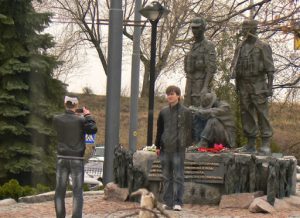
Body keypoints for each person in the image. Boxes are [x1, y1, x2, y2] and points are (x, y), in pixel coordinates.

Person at [230, 19, 275, 155]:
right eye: (243, 28)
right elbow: (235, 64)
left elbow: (270, 68)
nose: (243, 30)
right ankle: (250, 143)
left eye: (246, 28)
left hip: (258, 83)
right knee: (246, 113)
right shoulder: (240, 46)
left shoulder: (262, 46)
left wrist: (270, 86)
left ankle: (266, 142)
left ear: (254, 29)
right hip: (243, 84)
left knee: (262, 113)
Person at [53, 96, 97, 218]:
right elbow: (92, 130)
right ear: (76, 106)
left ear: (64, 104)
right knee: (77, 192)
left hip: (61, 157)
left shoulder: (57, 119)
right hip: (77, 159)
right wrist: (88, 116)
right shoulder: (81, 120)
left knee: (59, 191)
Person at [154, 85, 192, 211]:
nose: (170, 96)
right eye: (168, 94)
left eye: (172, 93)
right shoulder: (163, 112)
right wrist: (158, 146)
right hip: (165, 149)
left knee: (179, 176)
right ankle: (168, 202)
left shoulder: (185, 112)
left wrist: (185, 144)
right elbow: (159, 130)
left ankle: (178, 202)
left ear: (178, 96)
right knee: (166, 177)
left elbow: (190, 130)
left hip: (178, 149)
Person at [184, 17, 217, 107]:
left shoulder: (208, 45)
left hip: (201, 83)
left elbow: (211, 68)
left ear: (202, 28)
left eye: (197, 28)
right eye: (193, 28)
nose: (194, 30)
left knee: (199, 108)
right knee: (187, 107)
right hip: (190, 82)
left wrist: (205, 87)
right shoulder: (193, 46)